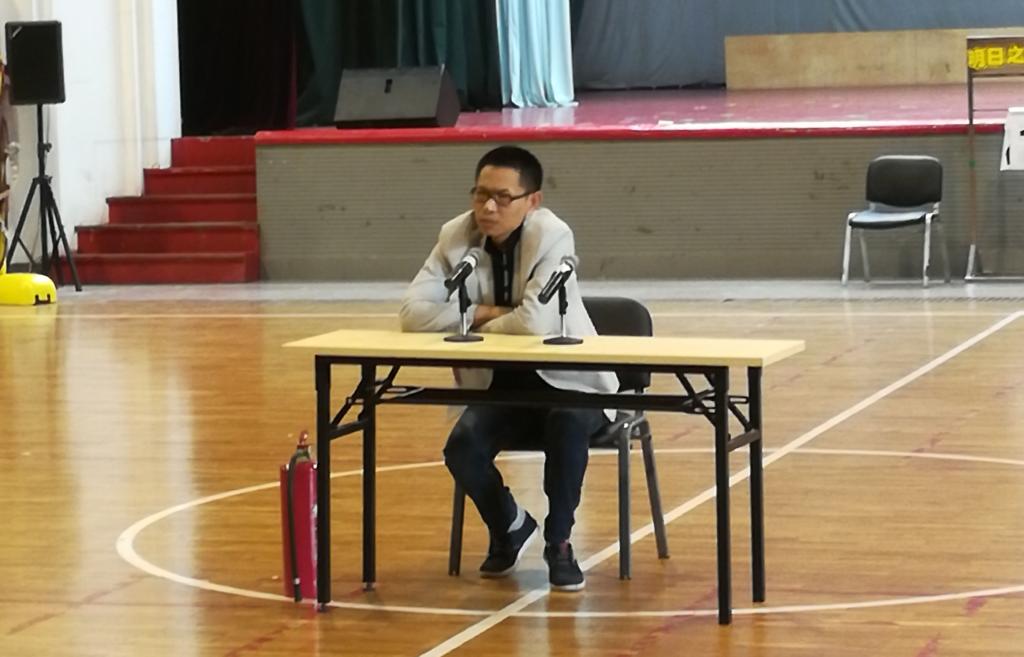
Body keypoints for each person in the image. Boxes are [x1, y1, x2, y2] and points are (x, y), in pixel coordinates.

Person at [399, 145, 617, 592]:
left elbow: (535, 322)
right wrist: (491, 312)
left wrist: (470, 320)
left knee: (566, 424)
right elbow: (412, 314)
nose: (488, 208)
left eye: (502, 197)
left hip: (572, 384)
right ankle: (510, 525)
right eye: (480, 195)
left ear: (532, 201)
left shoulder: (553, 235)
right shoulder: (455, 236)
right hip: (500, 387)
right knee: (462, 446)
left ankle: (559, 542)